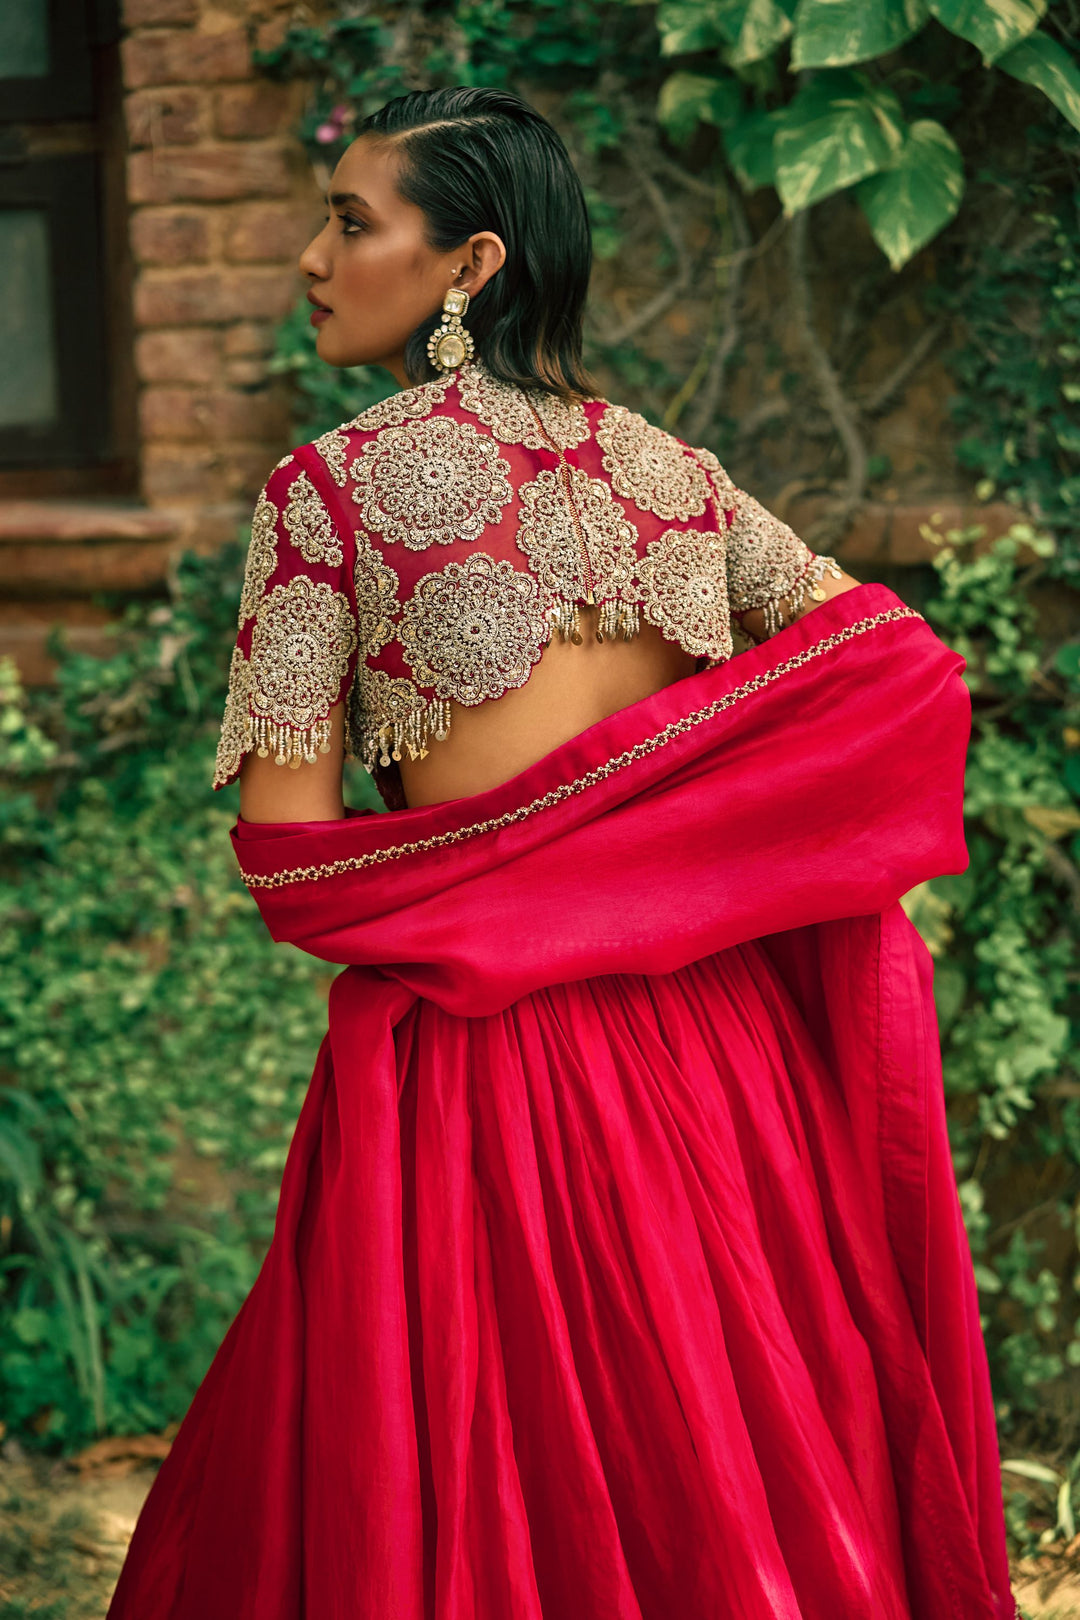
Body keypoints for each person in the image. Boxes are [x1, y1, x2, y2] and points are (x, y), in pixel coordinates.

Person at [108, 87, 1019, 1620]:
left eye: (350, 221)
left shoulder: (325, 495)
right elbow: (896, 663)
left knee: (469, 1480)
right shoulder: (672, 474)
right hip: (719, 1064)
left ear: (469, 263)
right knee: (727, 1476)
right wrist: (682, 841)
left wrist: (486, 888)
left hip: (474, 1069)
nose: (312, 259)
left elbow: (286, 859)